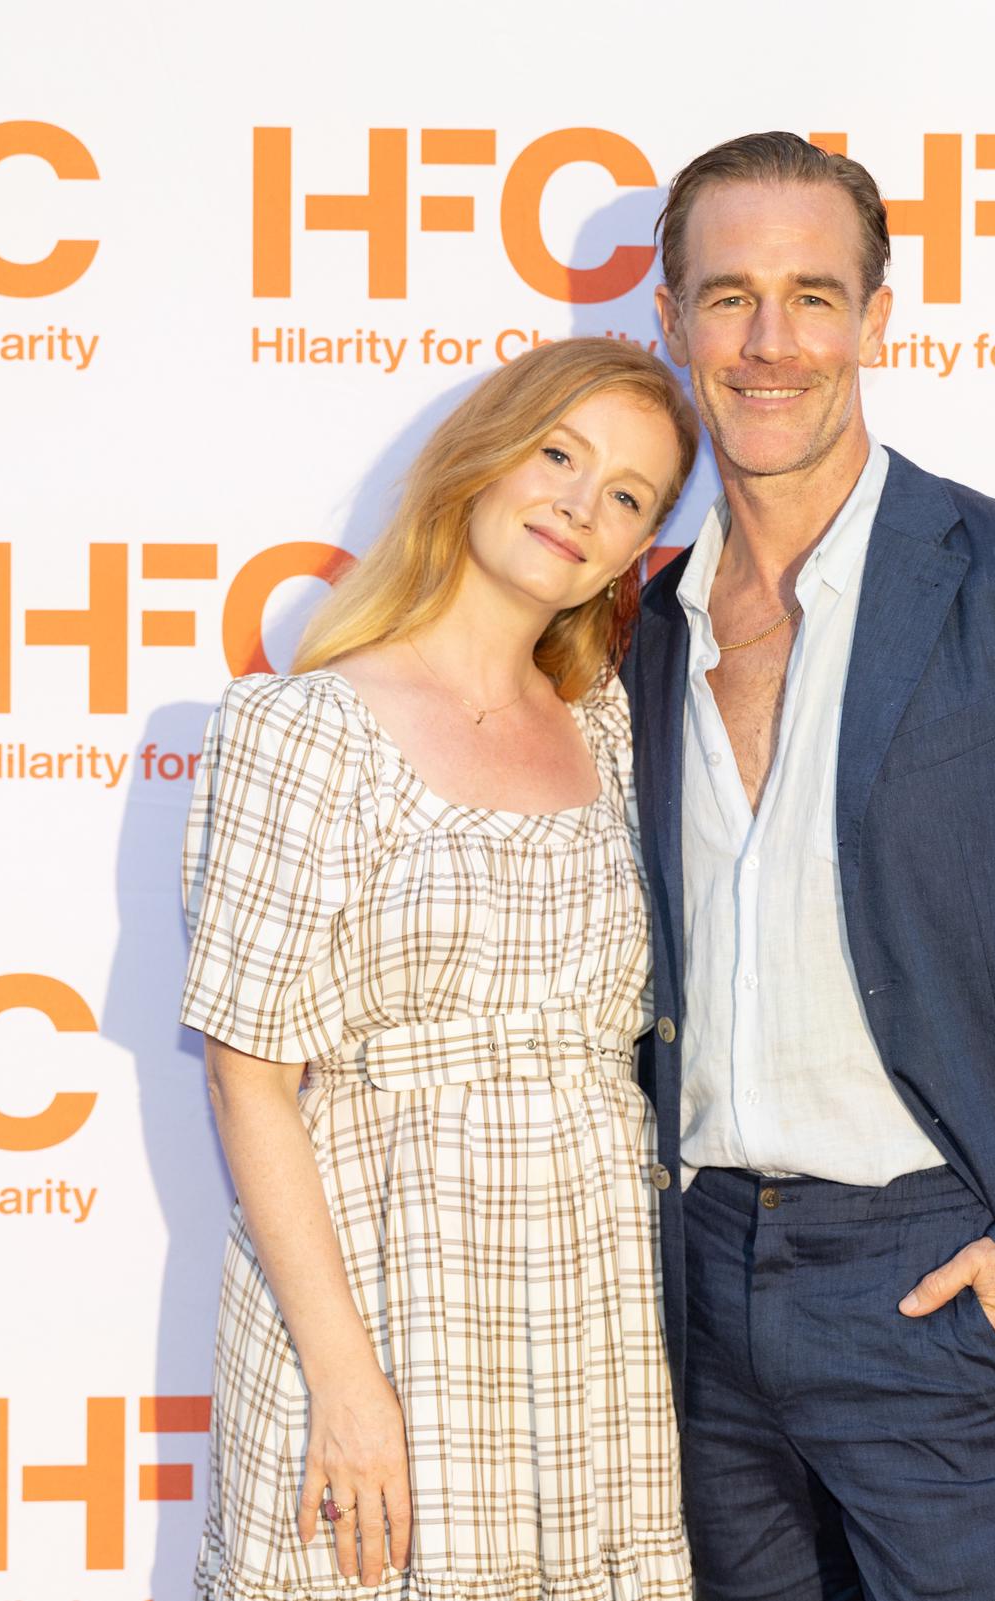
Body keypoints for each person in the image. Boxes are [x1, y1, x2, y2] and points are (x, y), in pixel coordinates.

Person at [620, 133, 995, 1600]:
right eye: (728, 297)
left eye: (814, 295)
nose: (771, 345)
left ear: (880, 318)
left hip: (938, 1279)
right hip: (693, 1295)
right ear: (669, 318)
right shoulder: (633, 629)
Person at [178, 336, 699, 1599]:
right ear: (484, 454)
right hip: (383, 1282)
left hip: (596, 1296)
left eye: (627, 495)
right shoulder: (301, 727)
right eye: (560, 453)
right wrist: (349, 1384)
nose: (581, 504)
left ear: (639, 548)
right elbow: (251, 1082)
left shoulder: (617, 728)